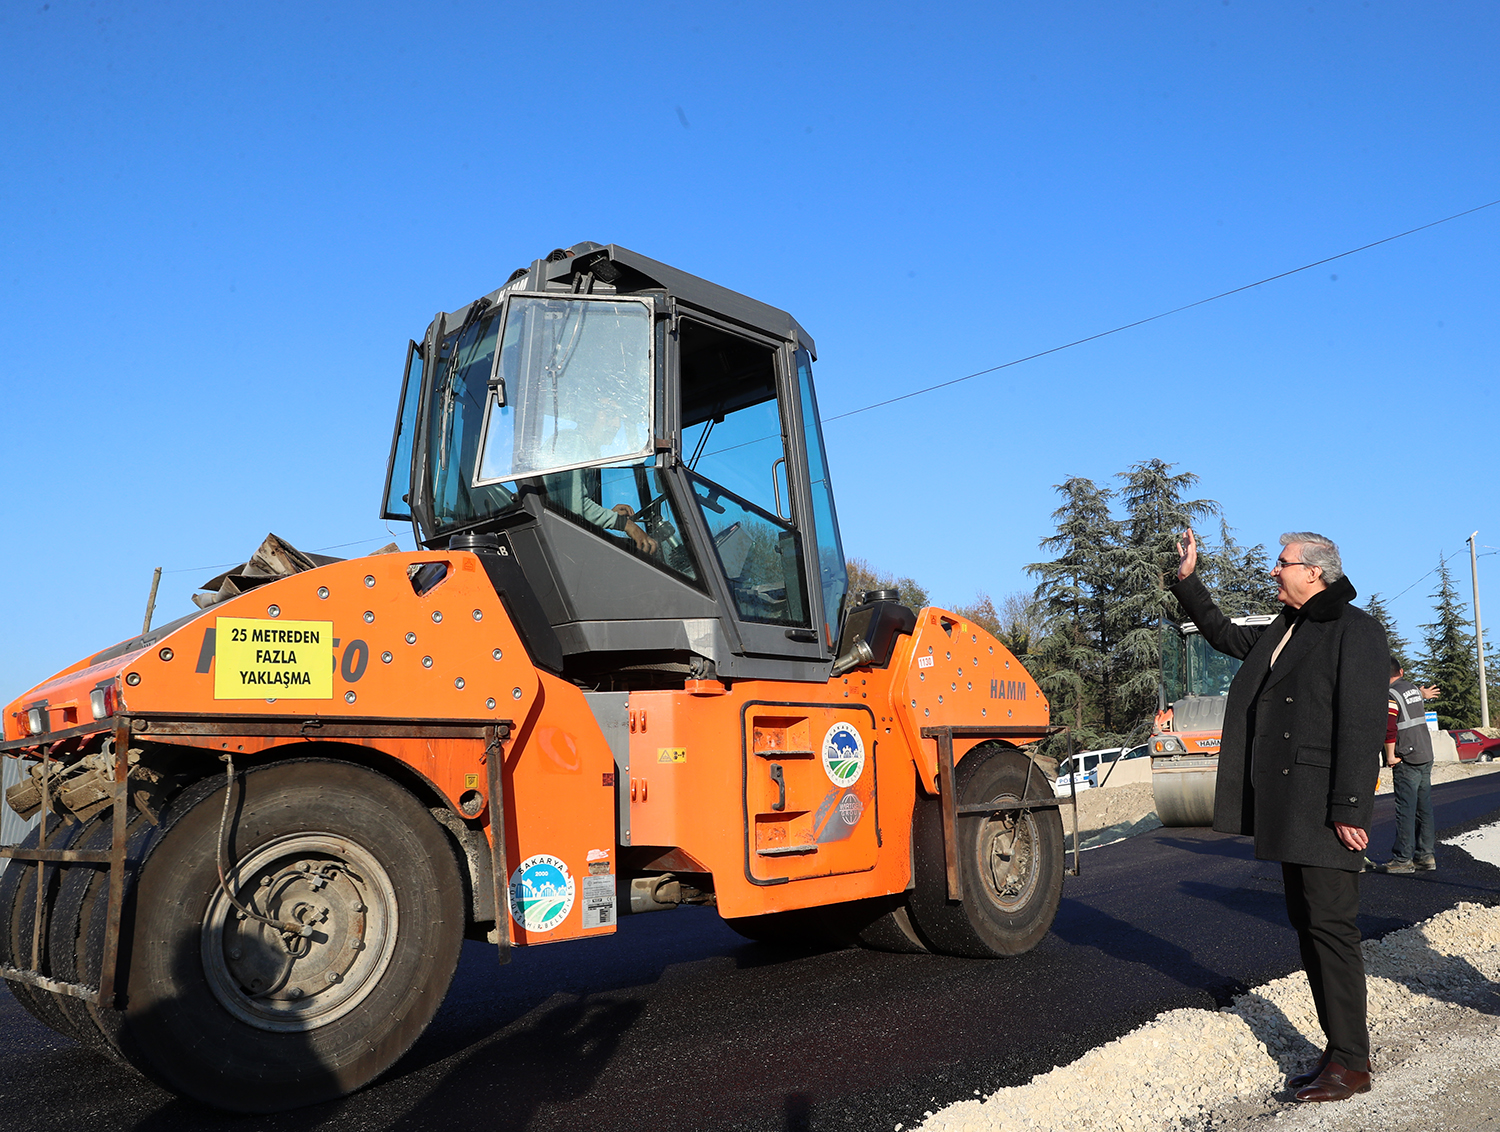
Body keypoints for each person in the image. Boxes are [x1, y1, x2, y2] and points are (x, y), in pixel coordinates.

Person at [1172, 529, 1387, 1104]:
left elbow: (1361, 724)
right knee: (1309, 925)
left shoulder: (1355, 631)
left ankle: (1354, 1064)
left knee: (1333, 931)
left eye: (1282, 563)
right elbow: (1219, 633)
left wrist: (1348, 807)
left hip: (1323, 808)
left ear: (1315, 572)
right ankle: (1338, 1050)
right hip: (1291, 807)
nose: (1274, 572)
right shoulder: (1284, 629)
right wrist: (1189, 581)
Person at [1379, 659, 1440, 873]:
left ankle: (1403, 859)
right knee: (1424, 808)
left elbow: (1389, 728)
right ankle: (1425, 856)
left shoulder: (1390, 694)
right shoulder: (1412, 689)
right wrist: (1422, 693)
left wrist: (1390, 756)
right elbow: (1414, 699)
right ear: (1401, 671)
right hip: (1425, 752)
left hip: (1407, 756)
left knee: (1406, 808)